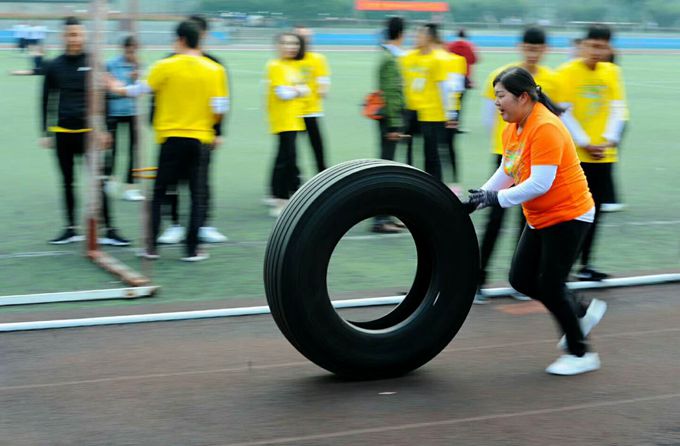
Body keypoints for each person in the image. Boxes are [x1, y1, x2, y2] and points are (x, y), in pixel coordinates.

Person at [466, 66, 606, 376]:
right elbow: (508, 170)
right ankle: (580, 311)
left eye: (501, 96)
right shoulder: (512, 127)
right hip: (541, 215)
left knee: (551, 285)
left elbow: (541, 183)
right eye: (495, 96)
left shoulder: (546, 127)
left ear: (523, 97)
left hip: (569, 215)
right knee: (520, 279)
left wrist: (496, 199)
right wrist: (480, 198)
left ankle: (581, 353)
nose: (496, 102)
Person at [114, 20, 228, 261]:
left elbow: (138, 90)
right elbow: (220, 109)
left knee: (160, 192)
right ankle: (192, 249)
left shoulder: (165, 65)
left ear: (181, 40)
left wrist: (116, 87)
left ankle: (150, 247)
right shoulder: (215, 69)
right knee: (196, 195)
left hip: (170, 138)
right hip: (200, 138)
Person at [476, 26, 557, 303]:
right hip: (507, 156)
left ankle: (522, 279)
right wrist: (504, 144)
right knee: (495, 218)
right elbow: (489, 117)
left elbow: (555, 117)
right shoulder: (502, 75)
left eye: (538, 49)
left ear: (545, 50)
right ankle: (478, 277)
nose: (533, 53)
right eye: (529, 48)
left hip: (535, 159)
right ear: (521, 47)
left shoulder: (551, 78)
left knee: (528, 219)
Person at [41, 16, 129, 246]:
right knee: (67, 182)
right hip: (63, 133)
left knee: (99, 182)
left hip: (89, 134)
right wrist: (45, 132)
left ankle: (109, 230)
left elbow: (104, 97)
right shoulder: (54, 66)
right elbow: (46, 99)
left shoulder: (94, 63)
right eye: (70, 34)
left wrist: (106, 129)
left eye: (78, 34)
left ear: (84, 35)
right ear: (63, 36)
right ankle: (70, 228)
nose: (74, 39)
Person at [554, 24, 627, 281]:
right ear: (583, 45)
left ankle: (585, 264)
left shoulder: (612, 71)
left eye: (602, 46)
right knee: (569, 212)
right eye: (593, 45)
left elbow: (618, 108)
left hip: (603, 155)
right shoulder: (567, 72)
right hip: (575, 155)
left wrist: (609, 140)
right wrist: (585, 142)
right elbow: (564, 112)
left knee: (594, 212)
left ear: (609, 48)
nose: (597, 51)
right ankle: (560, 266)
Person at [156, 15, 230, 245]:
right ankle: (175, 224)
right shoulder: (169, 62)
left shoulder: (214, 64)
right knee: (172, 182)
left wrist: (218, 131)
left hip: (202, 134)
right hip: (173, 131)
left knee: (200, 182)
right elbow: (157, 96)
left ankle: (203, 225)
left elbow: (221, 102)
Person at [265, 33, 308, 218]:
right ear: (278, 46)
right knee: (287, 159)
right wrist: (298, 90)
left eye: (295, 44)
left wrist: (296, 90)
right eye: (286, 43)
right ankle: (281, 200)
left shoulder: (293, 66)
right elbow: (283, 93)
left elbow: (306, 90)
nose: (291, 47)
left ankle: (277, 194)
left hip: (294, 118)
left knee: (285, 157)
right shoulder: (276, 66)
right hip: (283, 119)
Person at [407, 23, 456, 182]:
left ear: (429, 38)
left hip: (433, 114)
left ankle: (434, 185)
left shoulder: (437, 59)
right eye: (415, 35)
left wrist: (449, 113)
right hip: (413, 111)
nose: (416, 38)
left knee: (431, 155)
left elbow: (444, 87)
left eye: (420, 35)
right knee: (409, 152)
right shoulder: (409, 57)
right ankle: (409, 183)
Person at [372, 16, 406, 234]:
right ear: (402, 34)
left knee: (388, 166)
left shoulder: (387, 56)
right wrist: (394, 126)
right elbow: (392, 94)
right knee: (386, 168)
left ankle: (386, 215)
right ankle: (380, 219)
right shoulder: (391, 59)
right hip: (390, 119)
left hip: (388, 118)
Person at [105, 35, 143, 202]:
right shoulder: (111, 64)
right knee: (112, 148)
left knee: (134, 150)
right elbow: (108, 89)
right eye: (129, 50)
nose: (132, 54)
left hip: (133, 112)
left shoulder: (139, 65)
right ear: (124, 48)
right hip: (114, 112)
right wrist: (122, 90)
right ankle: (109, 180)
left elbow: (142, 90)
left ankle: (130, 188)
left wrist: (136, 79)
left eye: (134, 51)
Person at [294, 25, 331, 173]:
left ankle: (323, 175)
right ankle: (294, 178)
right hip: (292, 112)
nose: (305, 39)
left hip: (311, 111)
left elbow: (324, 81)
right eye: (301, 36)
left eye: (307, 36)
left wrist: (322, 90)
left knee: (318, 147)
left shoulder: (318, 59)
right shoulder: (289, 59)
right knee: (290, 150)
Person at [435, 38, 466, 190]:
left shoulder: (453, 61)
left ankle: (452, 183)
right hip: (437, 112)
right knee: (444, 149)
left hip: (446, 112)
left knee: (446, 148)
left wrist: (452, 114)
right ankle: (450, 183)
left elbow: (454, 88)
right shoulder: (454, 61)